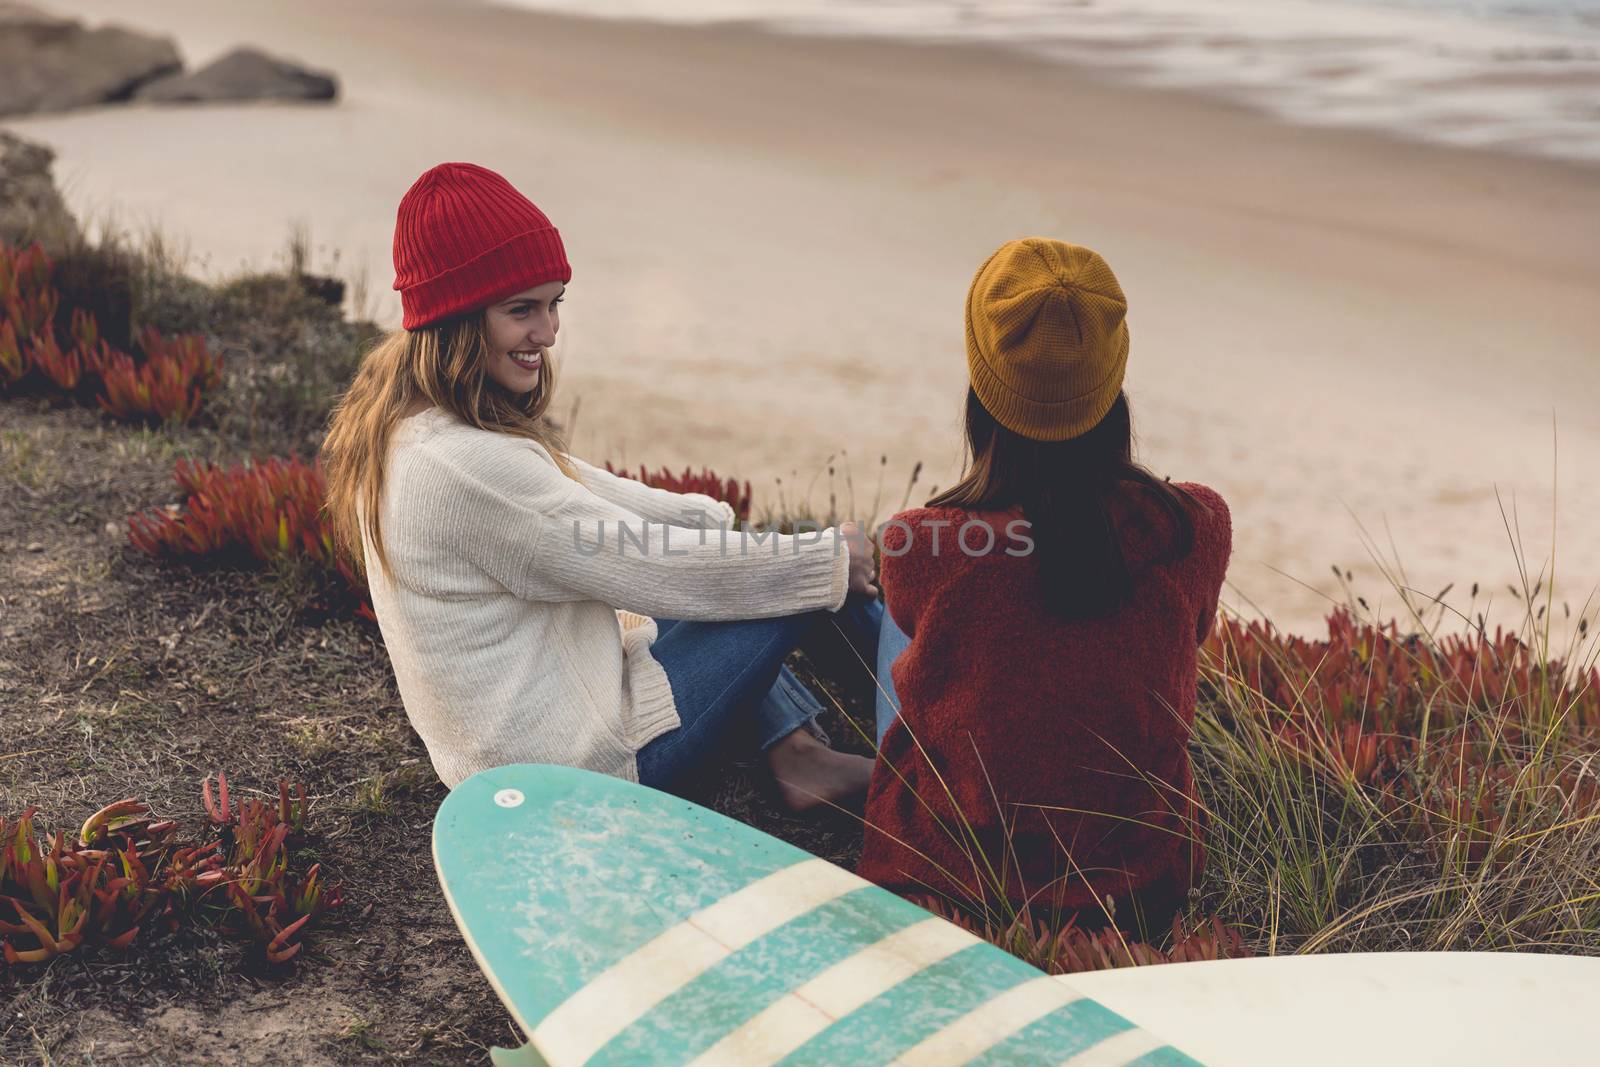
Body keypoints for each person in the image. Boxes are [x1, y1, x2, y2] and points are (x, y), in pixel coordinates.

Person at [321, 161, 881, 811]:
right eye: (521, 310)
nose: (548, 332)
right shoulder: (466, 471)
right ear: (457, 319)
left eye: (554, 303)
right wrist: (826, 560)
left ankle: (800, 755)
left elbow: (589, 494)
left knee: (747, 564)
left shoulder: (416, 424)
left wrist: (720, 527)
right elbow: (651, 566)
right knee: (788, 582)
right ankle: (950, 755)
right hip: (580, 767)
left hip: (528, 732)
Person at [858, 238, 1233, 936]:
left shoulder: (920, 541)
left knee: (888, 627)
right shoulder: (1194, 526)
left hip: (949, 868)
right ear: (1112, 372)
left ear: (983, 377)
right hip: (1137, 884)